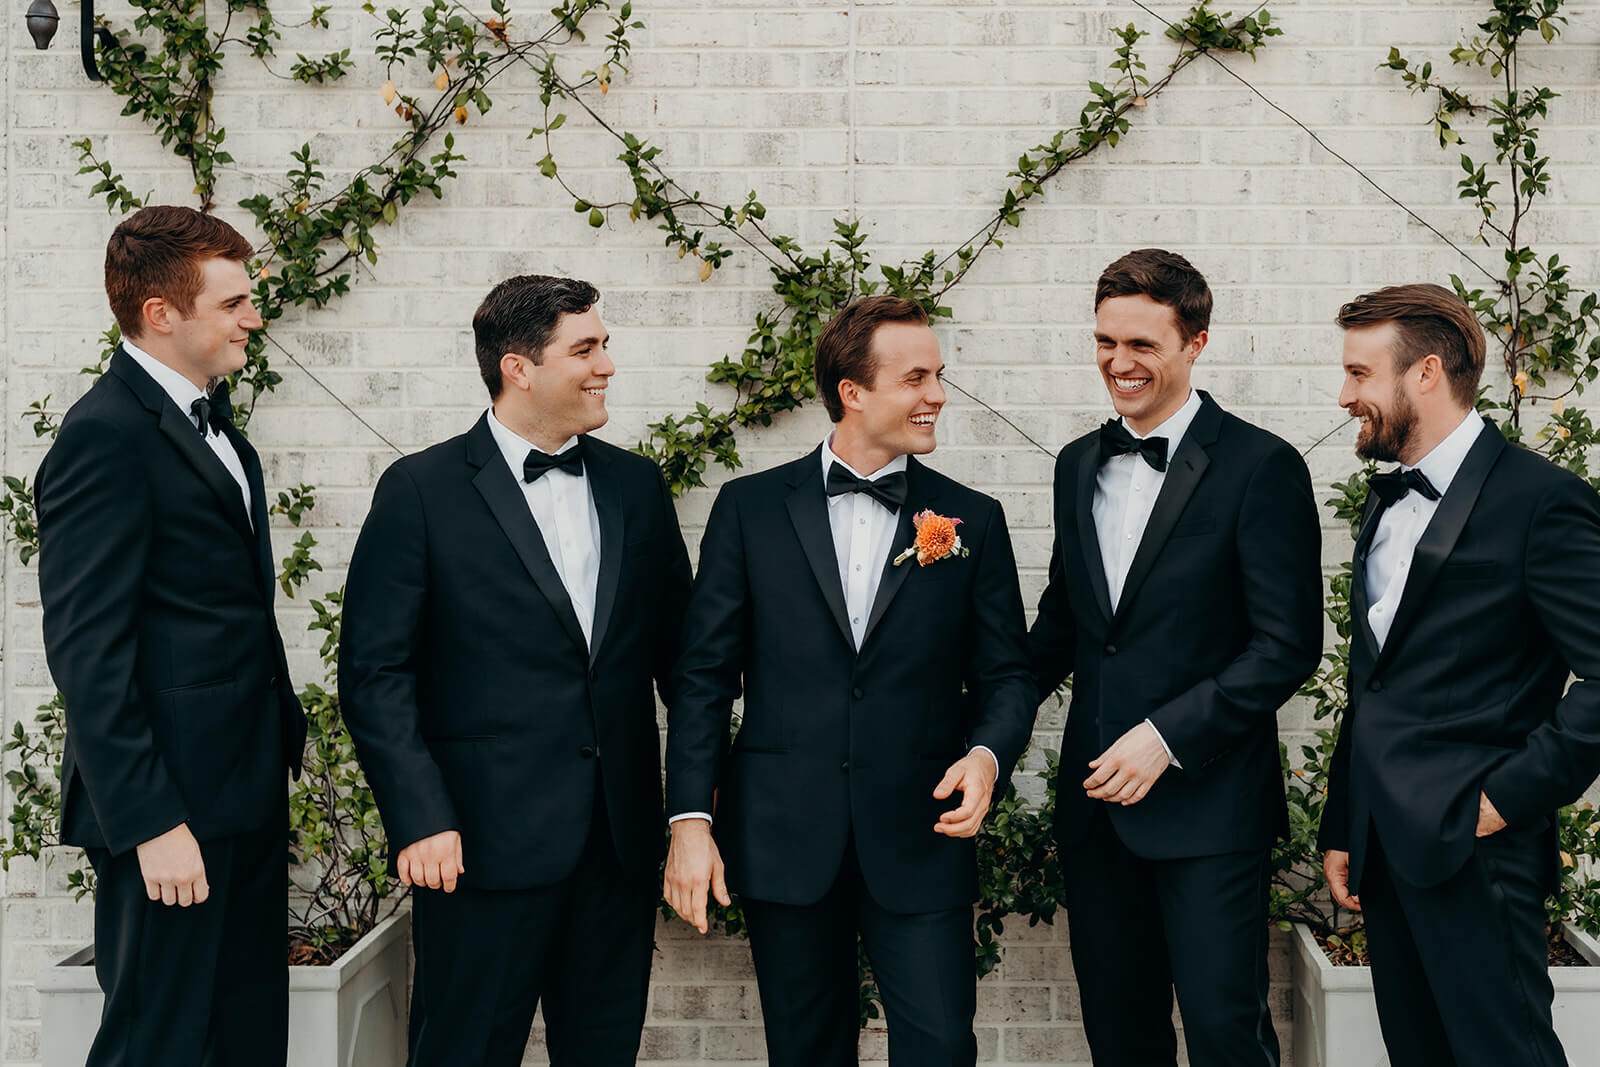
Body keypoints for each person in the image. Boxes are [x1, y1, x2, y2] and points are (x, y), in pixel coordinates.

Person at [662, 294, 1036, 1067]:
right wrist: (690, 820)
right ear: (852, 391)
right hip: (784, 835)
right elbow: (703, 678)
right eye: (917, 377)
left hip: (922, 834)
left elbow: (1007, 675)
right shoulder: (748, 509)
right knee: (805, 1051)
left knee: (941, 1047)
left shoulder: (971, 518)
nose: (938, 394)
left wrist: (987, 755)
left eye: (939, 375)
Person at [338, 275, 691, 1066]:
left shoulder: (637, 485)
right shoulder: (421, 490)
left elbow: (684, 662)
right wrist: (420, 815)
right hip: (476, 848)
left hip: (616, 849)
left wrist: (696, 813)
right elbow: (374, 673)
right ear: (518, 367)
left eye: (604, 345)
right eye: (585, 349)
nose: (606, 365)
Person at [1029, 249, 1322, 1067]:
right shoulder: (1075, 464)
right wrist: (968, 711)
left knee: (1227, 1034)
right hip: (1096, 815)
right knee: (1120, 1038)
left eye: (1142, 344)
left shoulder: (1262, 466)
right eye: (1105, 341)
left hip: (1210, 812)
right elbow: (1064, 627)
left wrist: (1167, 736)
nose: (1118, 362)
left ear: (1196, 342)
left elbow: (1288, 644)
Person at [35, 205, 307, 1066]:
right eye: (233, 303)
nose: (253, 317)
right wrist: (151, 820)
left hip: (245, 790)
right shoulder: (104, 436)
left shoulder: (218, 427)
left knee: (246, 1038)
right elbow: (88, 650)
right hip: (172, 807)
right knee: (158, 1043)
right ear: (161, 313)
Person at [1319, 283, 1600, 1067]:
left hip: (1482, 854)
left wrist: (1501, 800)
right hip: (1386, 849)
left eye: (1359, 373)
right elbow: (1376, 679)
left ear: (1426, 373)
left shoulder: (1542, 501)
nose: (1343, 396)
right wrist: (1344, 822)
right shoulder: (1386, 502)